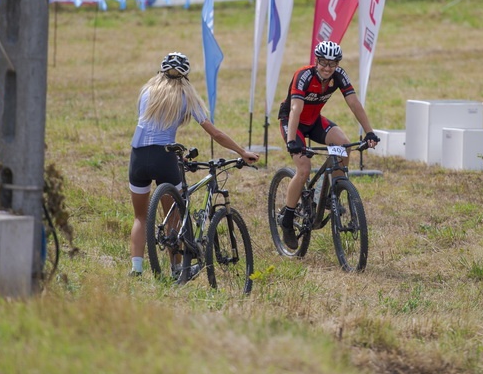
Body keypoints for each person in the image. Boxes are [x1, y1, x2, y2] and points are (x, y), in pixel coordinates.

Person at [128, 52, 259, 277]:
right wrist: (242, 151)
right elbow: (215, 133)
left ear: (161, 71)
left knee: (140, 216)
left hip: (138, 156)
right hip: (164, 157)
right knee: (173, 216)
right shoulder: (186, 96)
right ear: (185, 76)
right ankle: (178, 269)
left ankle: (136, 269)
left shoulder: (146, 92)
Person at [277, 40, 379, 249]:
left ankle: (336, 193)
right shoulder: (304, 75)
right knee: (304, 168)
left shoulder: (339, 76)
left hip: (314, 121)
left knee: (343, 145)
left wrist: (369, 131)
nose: (327, 68)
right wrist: (292, 142)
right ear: (316, 61)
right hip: (292, 122)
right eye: (323, 63)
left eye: (332, 64)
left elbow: (353, 102)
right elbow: (296, 108)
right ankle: (287, 218)